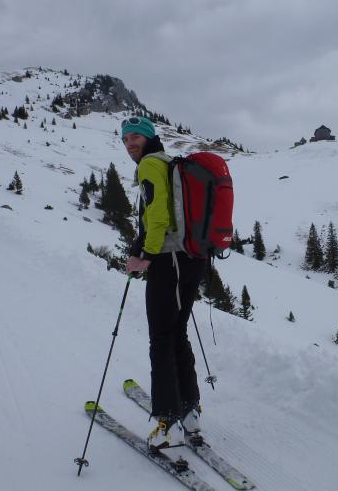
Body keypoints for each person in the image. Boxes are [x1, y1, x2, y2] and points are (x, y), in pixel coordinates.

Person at [121, 116, 204, 448]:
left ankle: (167, 422)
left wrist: (145, 255)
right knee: (176, 332)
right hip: (191, 259)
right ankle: (189, 410)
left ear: (148, 138)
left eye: (135, 137)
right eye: (125, 139)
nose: (130, 143)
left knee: (161, 338)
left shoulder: (150, 165)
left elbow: (157, 216)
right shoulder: (169, 162)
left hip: (169, 260)